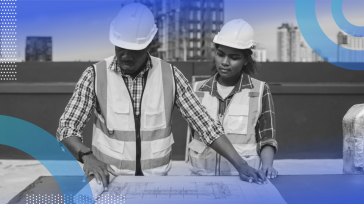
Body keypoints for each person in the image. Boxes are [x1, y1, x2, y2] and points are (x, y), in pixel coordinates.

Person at [56, 3, 266, 189]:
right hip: (109, 181)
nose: (126, 55)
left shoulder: (171, 76)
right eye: (121, 48)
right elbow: (66, 127)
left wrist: (241, 165)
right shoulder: (94, 75)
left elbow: (206, 125)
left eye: (134, 49)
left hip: (156, 183)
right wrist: (87, 156)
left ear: (149, 44)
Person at [188, 19, 278, 179]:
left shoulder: (260, 90)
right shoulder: (197, 90)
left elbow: (267, 138)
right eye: (220, 54)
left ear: (246, 60)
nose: (224, 62)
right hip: (202, 178)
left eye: (234, 57)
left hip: (243, 179)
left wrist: (267, 166)